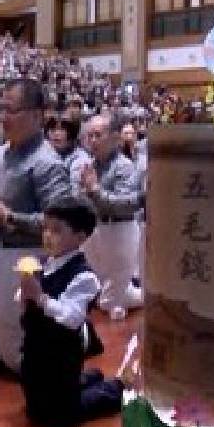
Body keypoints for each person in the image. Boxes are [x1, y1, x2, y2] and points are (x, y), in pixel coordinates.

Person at [0, 79, 71, 375]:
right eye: (0, 108)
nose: (3, 117)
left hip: (19, 255)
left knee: (16, 345)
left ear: (37, 115)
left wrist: (8, 218)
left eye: (11, 110)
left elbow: (57, 222)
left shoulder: (47, 162)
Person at [18, 196, 123, 427]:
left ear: (80, 237)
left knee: (61, 415)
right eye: (46, 228)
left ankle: (116, 387)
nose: (47, 235)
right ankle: (89, 378)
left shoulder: (84, 276)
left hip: (61, 351)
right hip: (36, 349)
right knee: (35, 406)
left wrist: (40, 297)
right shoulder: (44, 263)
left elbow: (71, 318)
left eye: (56, 230)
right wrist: (25, 294)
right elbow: (27, 304)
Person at [78, 115, 143, 320]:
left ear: (115, 138)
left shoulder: (124, 166)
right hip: (95, 229)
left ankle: (144, 295)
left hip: (119, 230)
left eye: (98, 135)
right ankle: (128, 293)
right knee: (102, 289)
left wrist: (95, 191)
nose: (93, 141)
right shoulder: (90, 165)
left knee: (108, 303)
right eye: (90, 136)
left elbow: (127, 205)